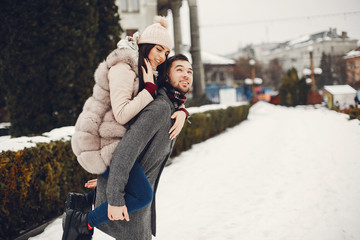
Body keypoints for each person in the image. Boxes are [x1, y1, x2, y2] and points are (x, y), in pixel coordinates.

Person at [62, 16, 189, 240]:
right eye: (158, 49)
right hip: (101, 141)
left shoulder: (146, 68)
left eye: (166, 53)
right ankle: (83, 222)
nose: (162, 57)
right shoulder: (124, 66)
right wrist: (148, 89)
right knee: (142, 195)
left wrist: (182, 111)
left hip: (114, 141)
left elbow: (165, 95)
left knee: (137, 192)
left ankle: (84, 205)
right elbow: (122, 114)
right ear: (146, 45)